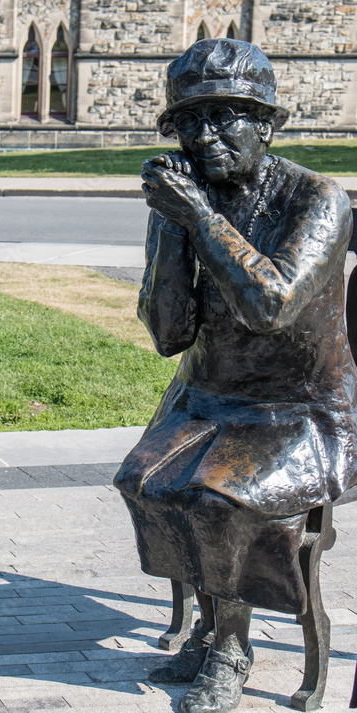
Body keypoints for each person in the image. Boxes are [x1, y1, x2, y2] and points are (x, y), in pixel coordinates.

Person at [114, 39, 356, 713]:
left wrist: (197, 215)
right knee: (143, 483)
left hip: (300, 409)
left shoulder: (318, 200)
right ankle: (213, 621)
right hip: (209, 396)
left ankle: (230, 647)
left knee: (219, 501)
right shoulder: (191, 199)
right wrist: (169, 226)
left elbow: (270, 305)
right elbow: (168, 336)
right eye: (190, 122)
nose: (206, 136)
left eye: (226, 117)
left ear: (267, 124)